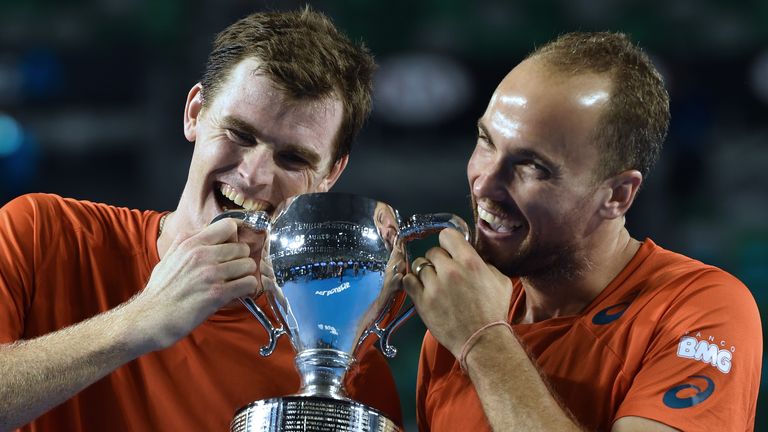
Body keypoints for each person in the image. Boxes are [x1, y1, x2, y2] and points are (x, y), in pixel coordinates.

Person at [0, 8, 403, 431]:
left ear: (331, 174)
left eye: (292, 158)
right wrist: (143, 319)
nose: (254, 174)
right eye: (240, 134)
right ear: (194, 112)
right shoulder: (41, 234)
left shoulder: (343, 362)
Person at [403, 32, 762, 431]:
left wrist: (483, 341)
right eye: (486, 140)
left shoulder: (699, 309)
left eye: (532, 166)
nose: (484, 183)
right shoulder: (463, 315)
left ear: (618, 195)